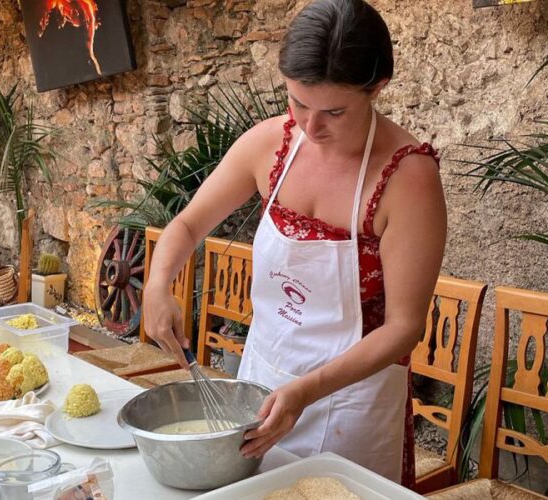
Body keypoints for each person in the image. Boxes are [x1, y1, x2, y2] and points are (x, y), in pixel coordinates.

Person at [142, 0, 446, 487]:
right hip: (264, 376)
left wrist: (307, 392)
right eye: (297, 102)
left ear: (377, 89)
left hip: (352, 405)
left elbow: (404, 328)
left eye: (334, 111)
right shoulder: (269, 145)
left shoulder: (408, 178)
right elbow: (186, 226)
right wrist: (158, 286)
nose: (310, 126)